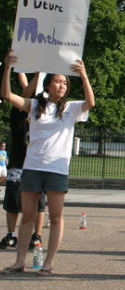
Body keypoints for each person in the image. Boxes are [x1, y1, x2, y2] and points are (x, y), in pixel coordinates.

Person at [0, 51, 94, 276]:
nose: (61, 85)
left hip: (56, 169)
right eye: (57, 81)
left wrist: (83, 75)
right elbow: (6, 95)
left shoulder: (71, 108)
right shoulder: (34, 105)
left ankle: (49, 262)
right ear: (48, 84)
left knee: (55, 217)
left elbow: (91, 102)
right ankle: (20, 261)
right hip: (32, 167)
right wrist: (7, 68)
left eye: (64, 83)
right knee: (28, 218)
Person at [1, 72, 47, 251]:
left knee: (39, 203)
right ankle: (12, 234)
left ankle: (37, 235)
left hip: (37, 164)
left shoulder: (42, 117)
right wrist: (37, 73)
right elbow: (26, 92)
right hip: (18, 164)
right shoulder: (18, 116)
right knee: (12, 203)